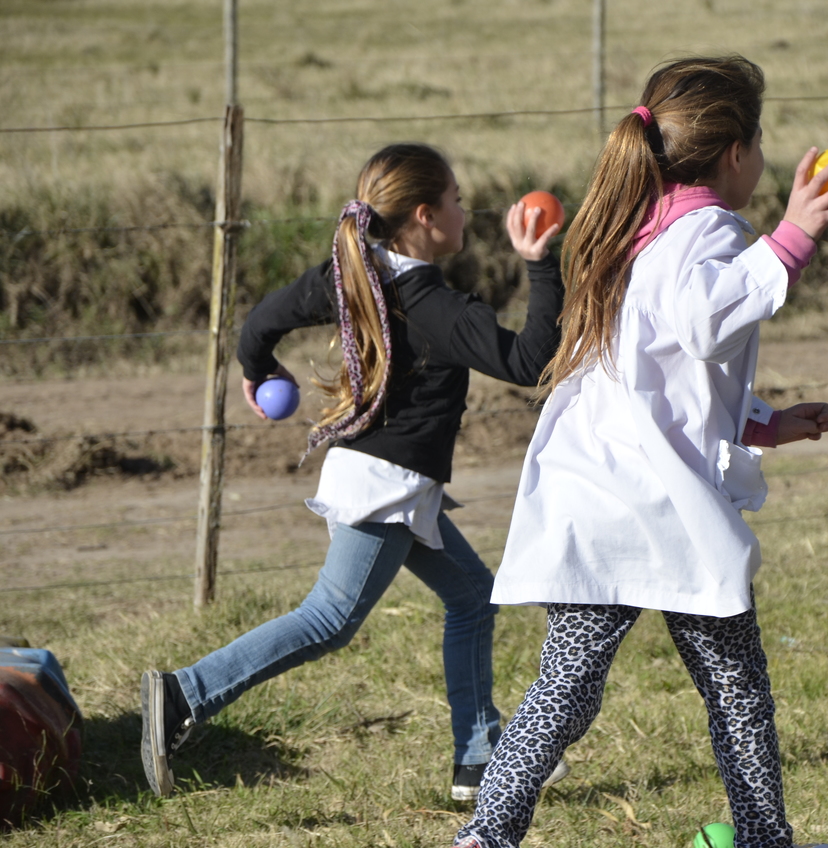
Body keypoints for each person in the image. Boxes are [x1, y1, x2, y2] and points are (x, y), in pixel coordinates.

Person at [453, 56, 828, 848]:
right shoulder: (706, 230)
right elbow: (706, 325)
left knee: (565, 690)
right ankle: (765, 837)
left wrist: (765, 424)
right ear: (734, 151)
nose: (766, 156)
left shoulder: (640, 226)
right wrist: (794, 238)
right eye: (762, 138)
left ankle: (485, 836)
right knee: (736, 690)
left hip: (604, 493)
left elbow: (663, 380)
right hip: (654, 505)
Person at [140, 142, 569, 801]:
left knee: (471, 597)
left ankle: (479, 756)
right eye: (456, 201)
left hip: (383, 479)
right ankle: (182, 695)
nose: (466, 211)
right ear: (425, 216)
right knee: (329, 620)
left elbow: (258, 323)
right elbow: (531, 362)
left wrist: (259, 372)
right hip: (384, 490)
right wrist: (542, 266)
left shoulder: (348, 277)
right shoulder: (440, 310)